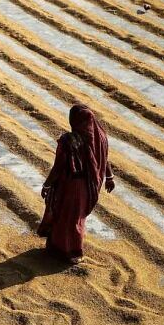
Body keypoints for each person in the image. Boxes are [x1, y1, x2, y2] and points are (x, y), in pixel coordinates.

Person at [38, 104, 115, 262]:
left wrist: (47, 184)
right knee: (76, 218)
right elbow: (103, 157)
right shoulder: (100, 136)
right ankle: (64, 248)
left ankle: (70, 251)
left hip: (71, 185)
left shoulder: (70, 141)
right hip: (89, 186)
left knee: (66, 216)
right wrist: (109, 177)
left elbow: (59, 166)